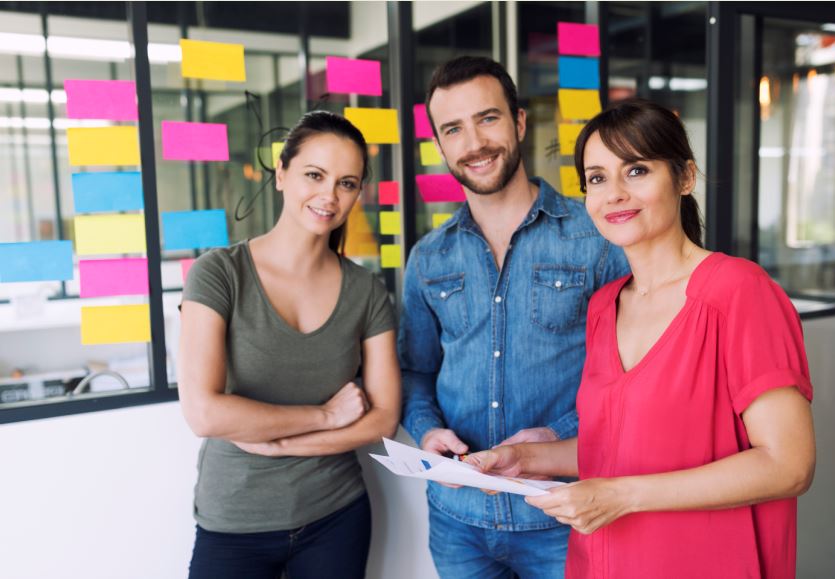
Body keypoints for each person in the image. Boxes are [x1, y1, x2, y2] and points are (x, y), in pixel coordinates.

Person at [466, 98, 816, 579]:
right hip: (605, 561)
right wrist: (521, 458)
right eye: (596, 178)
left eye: (636, 170)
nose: (613, 194)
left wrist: (621, 496)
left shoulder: (739, 292)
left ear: (685, 178)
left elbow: (788, 465)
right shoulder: (604, 306)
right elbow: (613, 450)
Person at [398, 56, 629, 579]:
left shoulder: (596, 237)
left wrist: (557, 435)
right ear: (439, 146)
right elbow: (416, 370)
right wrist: (427, 430)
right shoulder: (428, 257)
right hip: (459, 524)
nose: (473, 142)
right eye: (453, 129)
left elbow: (629, 374)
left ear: (520, 122)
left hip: (564, 515)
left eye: (488, 118)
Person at [178, 110, 401, 579]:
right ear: (281, 174)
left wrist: (282, 445)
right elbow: (204, 413)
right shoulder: (220, 274)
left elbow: (383, 418)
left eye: (347, 183)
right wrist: (323, 416)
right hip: (235, 521)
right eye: (314, 175)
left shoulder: (366, 291)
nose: (329, 195)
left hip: (336, 515)